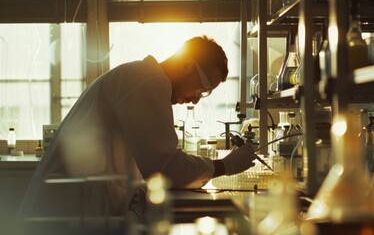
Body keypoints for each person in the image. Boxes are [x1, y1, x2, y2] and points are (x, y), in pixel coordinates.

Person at [17, 36, 257, 220]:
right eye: (202, 88)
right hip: (64, 215)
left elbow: (141, 159)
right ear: (186, 63)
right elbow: (165, 167)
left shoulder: (142, 78)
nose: (196, 99)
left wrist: (136, 189)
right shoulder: (147, 81)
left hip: (73, 210)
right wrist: (228, 164)